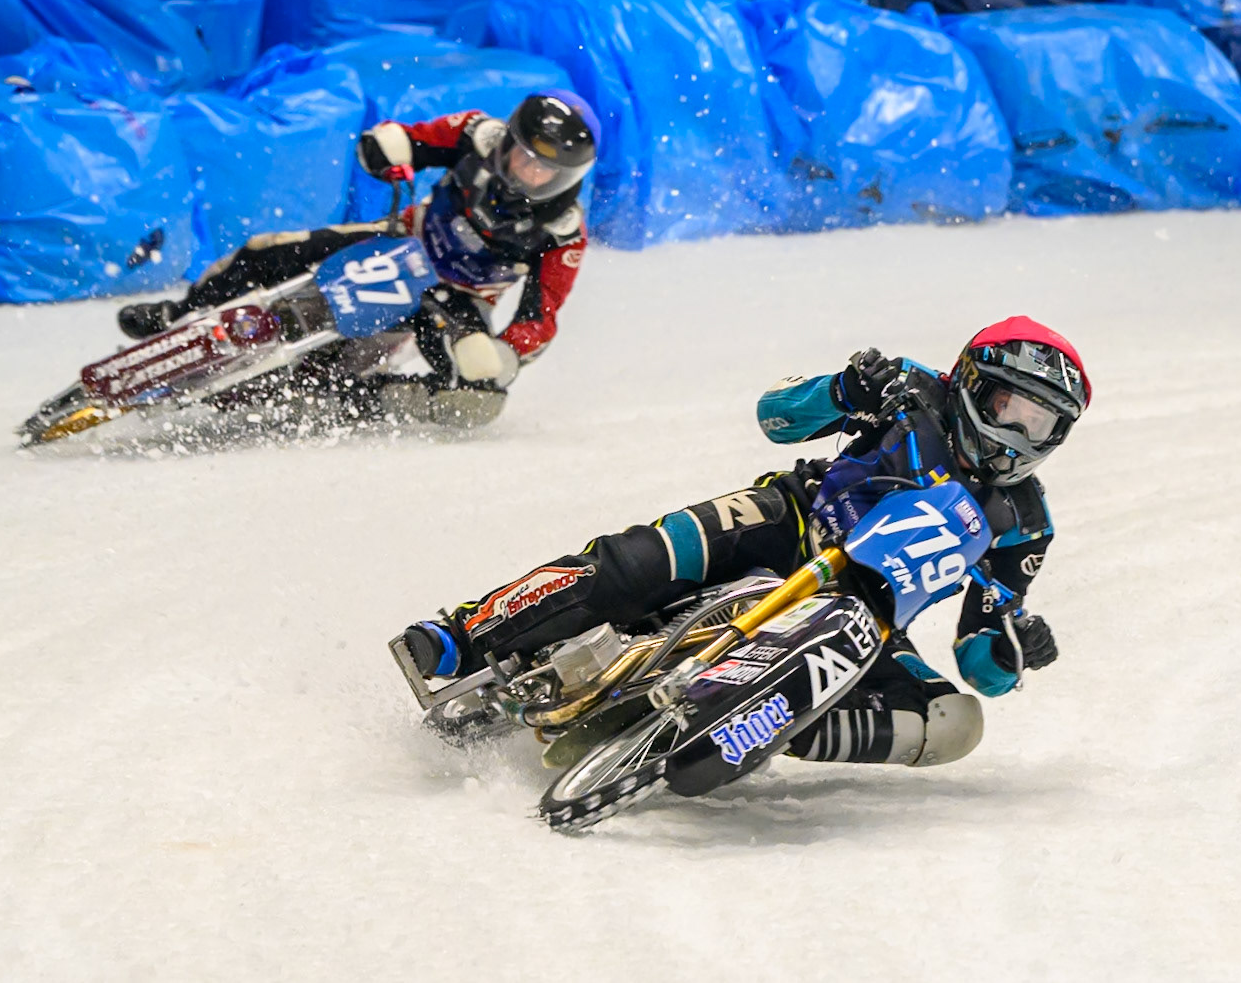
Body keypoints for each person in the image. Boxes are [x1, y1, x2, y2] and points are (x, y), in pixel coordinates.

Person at [401, 316, 1091, 768]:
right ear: (971, 382)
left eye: (1041, 423)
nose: (1018, 435)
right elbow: (777, 417)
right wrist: (843, 387)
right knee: (647, 555)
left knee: (955, 723)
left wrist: (1010, 645)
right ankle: (463, 631)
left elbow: (980, 664)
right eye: (1011, 408)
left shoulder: (1025, 521)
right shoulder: (912, 387)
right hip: (790, 522)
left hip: (868, 620)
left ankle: (763, 725)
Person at [116, 90, 598, 426]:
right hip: (401, 237)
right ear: (510, 140)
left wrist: (504, 353)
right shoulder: (477, 133)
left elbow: (542, 317)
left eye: (545, 170)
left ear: (568, 179)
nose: (528, 171)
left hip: (457, 298)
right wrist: (388, 145)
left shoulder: (564, 235)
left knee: (478, 398)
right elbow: (413, 140)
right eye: (524, 156)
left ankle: (381, 399)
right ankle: (178, 314)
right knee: (267, 250)